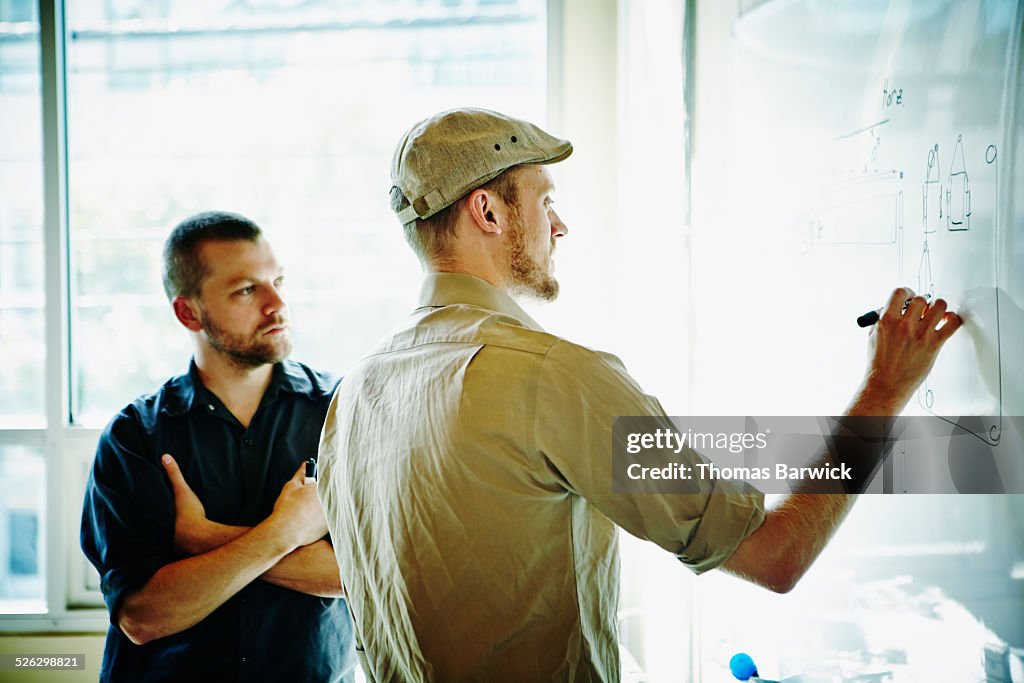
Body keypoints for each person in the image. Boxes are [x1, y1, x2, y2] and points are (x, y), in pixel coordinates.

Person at [316, 108, 962, 681]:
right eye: (545, 201)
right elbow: (774, 556)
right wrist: (884, 389)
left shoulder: (356, 392)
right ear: (488, 211)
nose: (560, 225)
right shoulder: (552, 376)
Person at [81, 211, 356, 682]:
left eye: (279, 281)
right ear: (189, 313)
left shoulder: (344, 415)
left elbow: (359, 579)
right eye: (247, 290)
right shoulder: (136, 437)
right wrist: (283, 532)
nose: (278, 304)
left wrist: (206, 539)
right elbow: (144, 617)